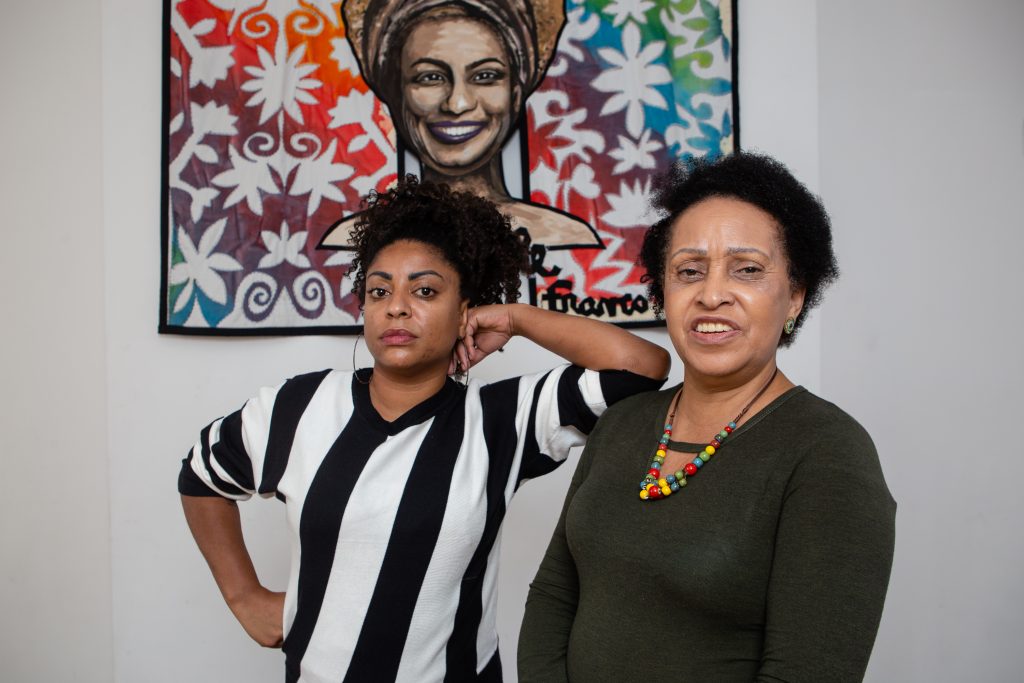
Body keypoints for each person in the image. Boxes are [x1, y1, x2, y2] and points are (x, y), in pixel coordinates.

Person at [179, 176, 669, 683]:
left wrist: (516, 319)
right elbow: (201, 475)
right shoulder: (299, 406)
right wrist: (244, 595)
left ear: (465, 311)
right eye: (379, 291)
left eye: (425, 290)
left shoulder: (504, 418)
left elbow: (642, 368)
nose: (396, 306)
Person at [518, 153, 896, 682]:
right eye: (689, 271)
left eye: (747, 270)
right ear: (664, 292)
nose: (712, 294)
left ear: (795, 297)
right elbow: (555, 594)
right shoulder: (623, 422)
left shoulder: (829, 453)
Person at [320, 0, 601, 250]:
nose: (457, 104)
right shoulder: (353, 241)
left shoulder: (568, 237)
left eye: (485, 76)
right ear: (396, 94)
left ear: (515, 95)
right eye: (430, 77)